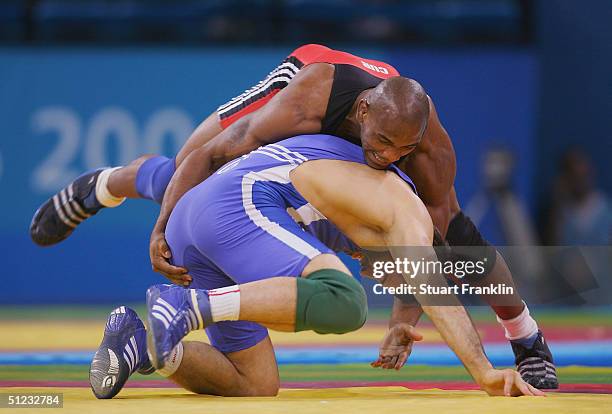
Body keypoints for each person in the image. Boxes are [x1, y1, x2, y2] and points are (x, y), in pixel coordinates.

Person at [31, 45, 556, 388]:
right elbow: (211, 154)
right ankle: (106, 184)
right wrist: (161, 227)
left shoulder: (422, 149)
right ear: (364, 114)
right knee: (189, 173)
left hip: (311, 187)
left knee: (459, 240)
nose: (387, 157)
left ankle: (528, 337)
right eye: (380, 145)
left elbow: (437, 247)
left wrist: (404, 321)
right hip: (307, 77)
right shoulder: (313, 94)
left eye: (401, 152)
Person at [90, 134, 543, 399]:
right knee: (344, 300)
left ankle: (147, 345)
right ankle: (190, 307)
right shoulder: (404, 208)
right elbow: (428, 283)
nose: (381, 274)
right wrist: (484, 372)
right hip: (236, 208)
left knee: (256, 382)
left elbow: (411, 278)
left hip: (204, 221)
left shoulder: (359, 185)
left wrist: (402, 323)